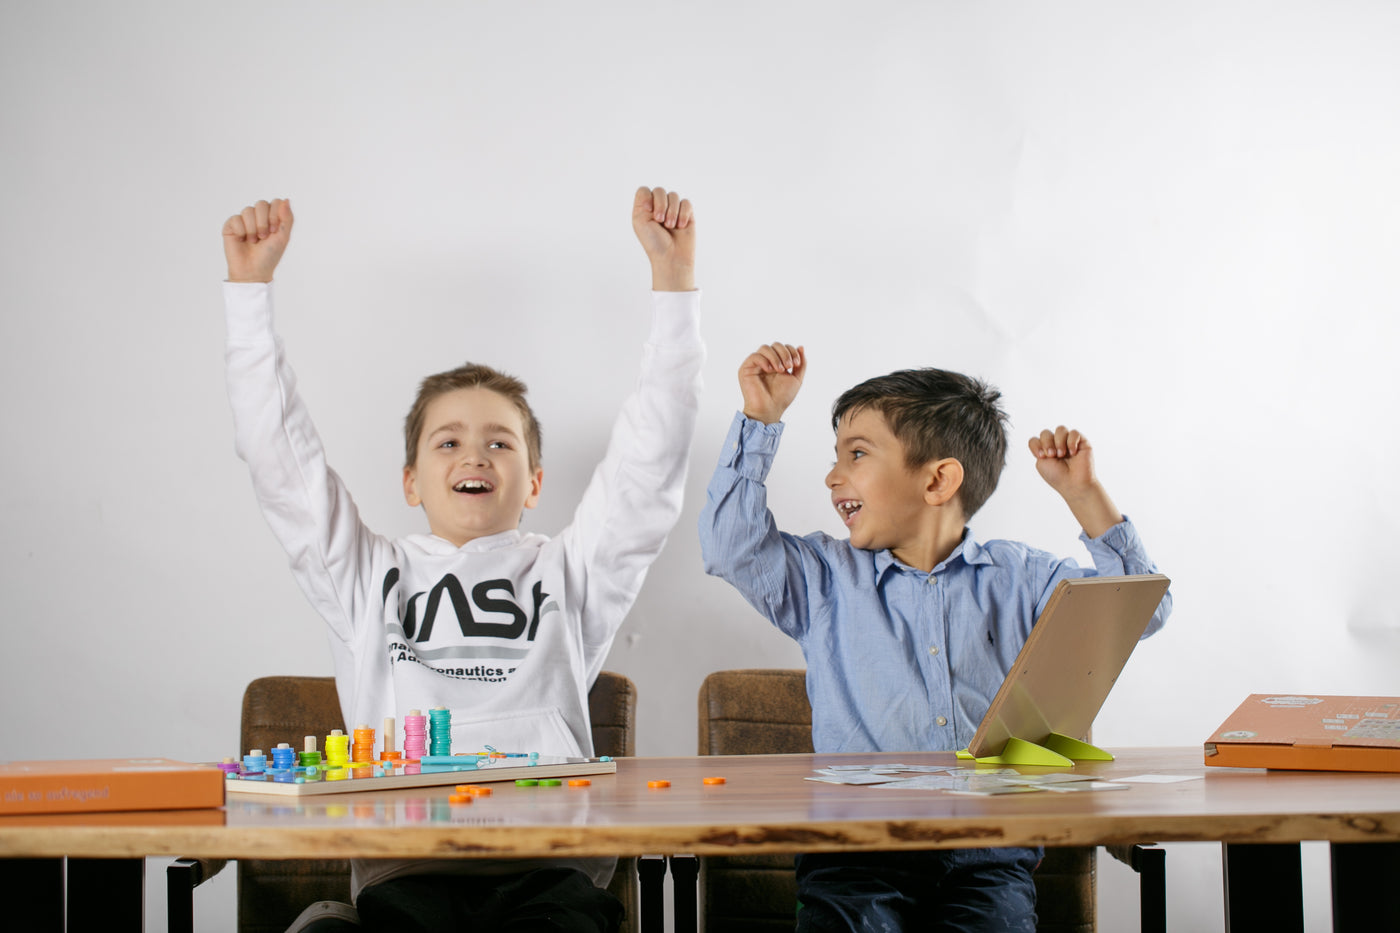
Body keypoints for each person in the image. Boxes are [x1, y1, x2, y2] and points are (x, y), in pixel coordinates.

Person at [221, 186, 703, 932]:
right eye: (447, 441)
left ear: (533, 482)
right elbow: (281, 464)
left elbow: (648, 470)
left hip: (550, 876)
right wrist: (249, 295)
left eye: (499, 442)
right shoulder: (364, 577)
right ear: (410, 481)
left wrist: (673, 286)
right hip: (408, 875)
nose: (474, 454)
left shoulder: (570, 574)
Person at [698, 343, 1171, 933]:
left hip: (987, 853)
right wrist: (760, 420)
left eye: (857, 454)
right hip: (855, 854)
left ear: (939, 480)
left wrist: (1085, 496)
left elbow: (1143, 611)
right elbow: (729, 546)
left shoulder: (1023, 579)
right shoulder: (822, 578)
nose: (832, 476)